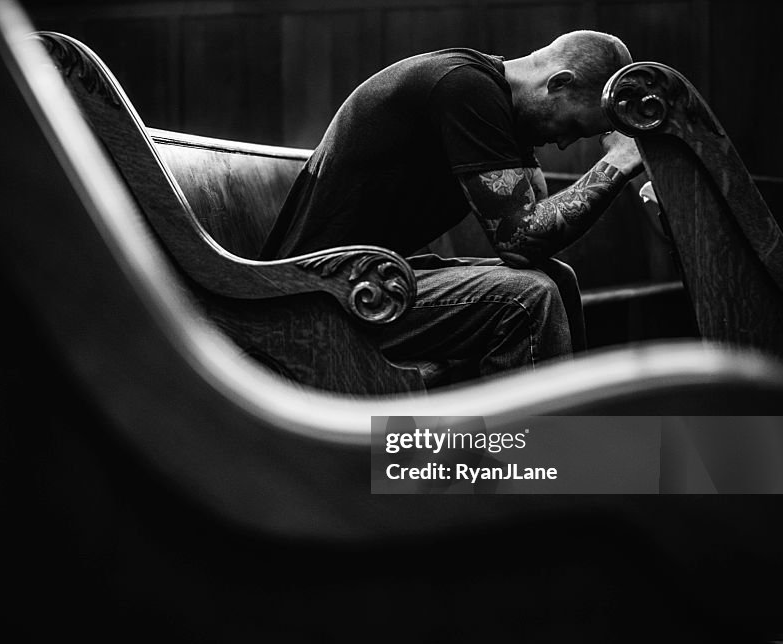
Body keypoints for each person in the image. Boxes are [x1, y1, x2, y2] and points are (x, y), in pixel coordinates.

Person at [259, 30, 642, 387]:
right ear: (558, 83)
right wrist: (617, 164)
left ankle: (557, 442)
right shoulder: (464, 86)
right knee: (526, 299)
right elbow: (520, 240)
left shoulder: (493, 98)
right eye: (574, 125)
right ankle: (524, 455)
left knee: (558, 279)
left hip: (367, 279)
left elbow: (535, 230)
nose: (564, 142)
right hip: (319, 294)